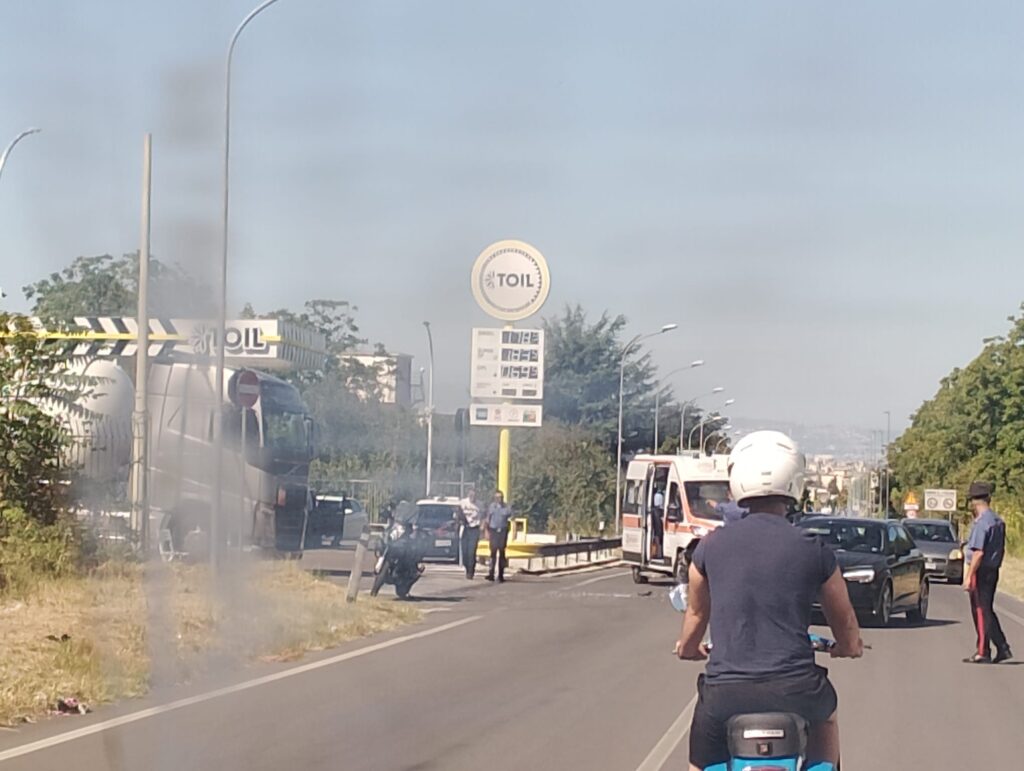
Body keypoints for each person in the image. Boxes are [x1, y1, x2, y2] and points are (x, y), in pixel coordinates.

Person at [675, 430, 863, 771]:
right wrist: (849, 646)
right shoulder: (814, 549)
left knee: (698, 766)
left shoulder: (709, 547)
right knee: (828, 717)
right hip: (799, 690)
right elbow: (845, 619)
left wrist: (688, 648)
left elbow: (696, 612)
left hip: (725, 694)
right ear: (795, 483)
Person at [962, 481, 1012, 664]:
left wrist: (968, 576)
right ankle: (1002, 646)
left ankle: (984, 650)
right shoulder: (998, 520)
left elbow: (978, 552)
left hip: (981, 571)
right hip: (993, 569)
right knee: (987, 609)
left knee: (981, 611)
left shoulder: (983, 523)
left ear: (974, 503)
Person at [485, 491, 513, 582]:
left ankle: (501, 574)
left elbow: (511, 519)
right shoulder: (491, 507)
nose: (499, 499)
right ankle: (491, 573)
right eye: (497, 497)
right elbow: (488, 519)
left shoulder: (507, 508)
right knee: (493, 552)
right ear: (494, 498)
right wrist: (486, 531)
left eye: (500, 497)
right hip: (493, 531)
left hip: (503, 531)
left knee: (502, 552)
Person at [459, 489, 482, 579]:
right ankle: (466, 567)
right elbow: (458, 514)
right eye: (471, 495)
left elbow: (484, 516)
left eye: (474, 495)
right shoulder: (463, 503)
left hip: (474, 529)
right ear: (468, 495)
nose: (472, 497)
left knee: (471, 551)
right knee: (464, 551)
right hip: (465, 528)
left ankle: (471, 571)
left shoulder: (480, 505)